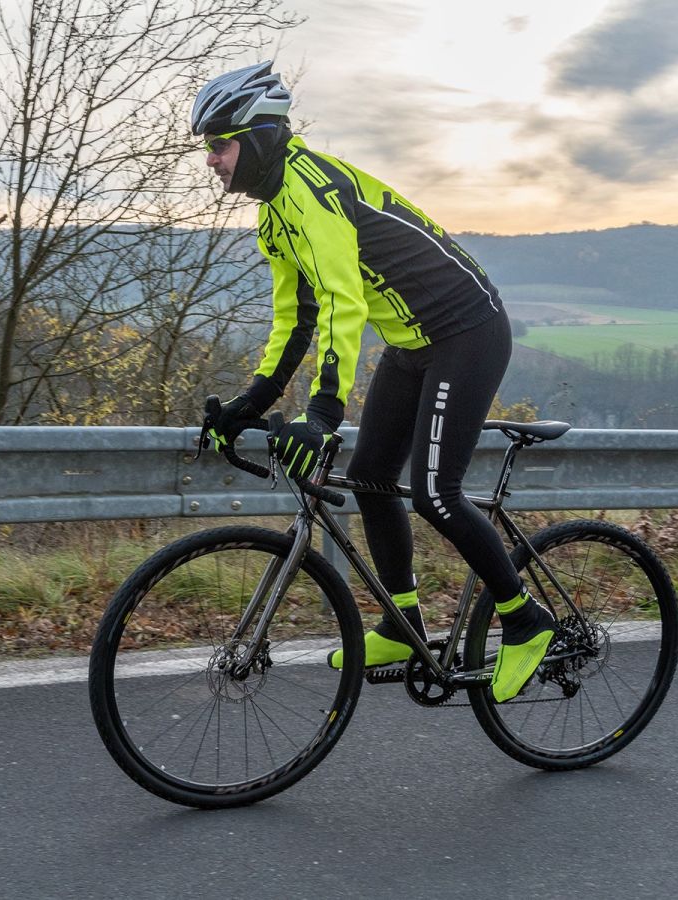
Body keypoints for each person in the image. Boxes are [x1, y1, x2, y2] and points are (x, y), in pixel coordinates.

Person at [195, 61, 554, 702]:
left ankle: (525, 620)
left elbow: (343, 302)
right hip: (413, 344)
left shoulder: (312, 190)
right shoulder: (275, 215)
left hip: (467, 331)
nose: (211, 161)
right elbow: (296, 317)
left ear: (256, 137)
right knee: (370, 479)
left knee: (436, 495)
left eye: (219, 145)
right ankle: (401, 622)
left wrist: (323, 412)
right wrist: (254, 400)